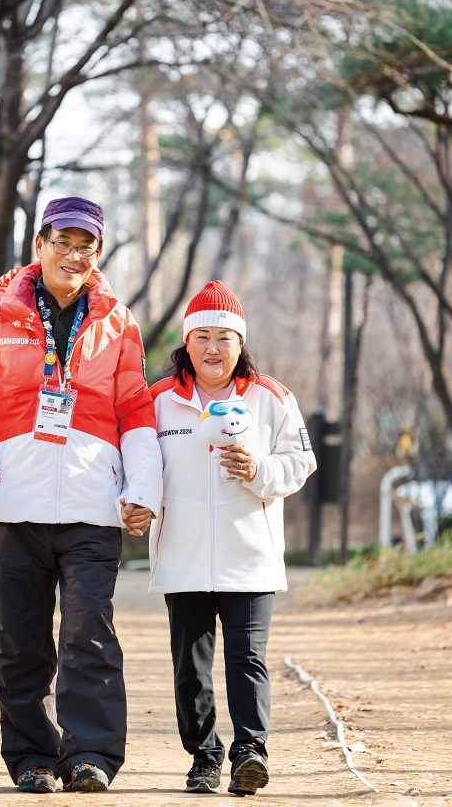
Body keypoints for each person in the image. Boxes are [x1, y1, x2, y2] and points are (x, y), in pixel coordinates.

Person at [0, 196, 163, 794]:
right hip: (13, 504)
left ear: (97, 255)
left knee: (89, 630)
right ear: (40, 245)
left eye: (85, 246)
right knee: (19, 638)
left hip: (95, 504)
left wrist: (143, 488)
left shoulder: (119, 321)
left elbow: (136, 408)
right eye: (61, 243)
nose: (72, 255)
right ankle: (33, 757)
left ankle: (91, 755)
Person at [149, 281, 316, 796]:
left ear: (241, 344)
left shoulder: (271, 397)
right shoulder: (158, 401)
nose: (213, 349)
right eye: (203, 337)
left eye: (225, 338)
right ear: (186, 343)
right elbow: (135, 467)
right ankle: (203, 758)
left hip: (251, 555)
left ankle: (250, 752)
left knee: (247, 659)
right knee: (190, 669)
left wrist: (260, 468)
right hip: (182, 555)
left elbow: (301, 461)